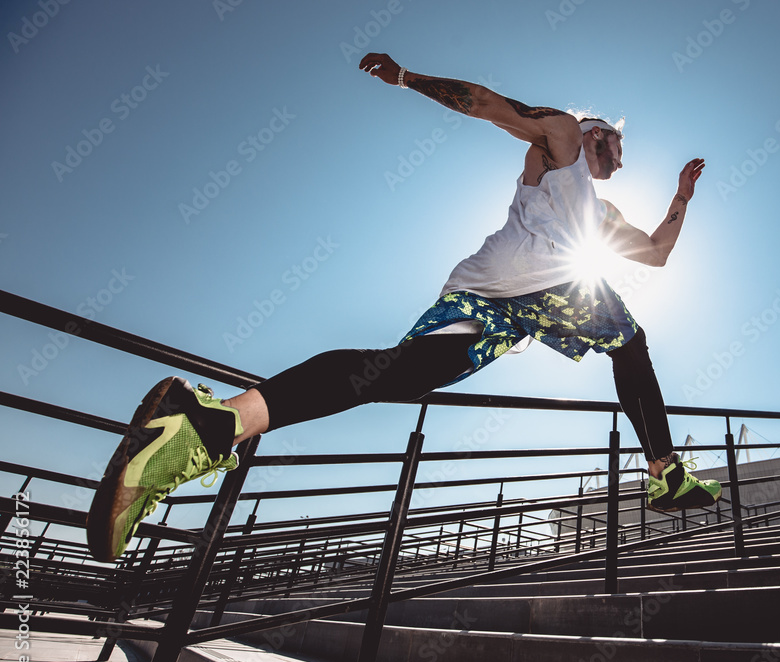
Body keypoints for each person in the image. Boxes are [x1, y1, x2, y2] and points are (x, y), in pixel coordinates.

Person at [85, 53, 720, 563]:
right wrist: (410, 79)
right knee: (628, 342)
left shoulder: (599, 212)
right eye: (616, 144)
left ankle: (206, 425)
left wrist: (682, 197)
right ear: (596, 133)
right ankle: (664, 468)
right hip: (539, 282)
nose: (620, 157)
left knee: (398, 373)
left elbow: (658, 253)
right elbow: (493, 108)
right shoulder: (559, 138)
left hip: (491, 295)